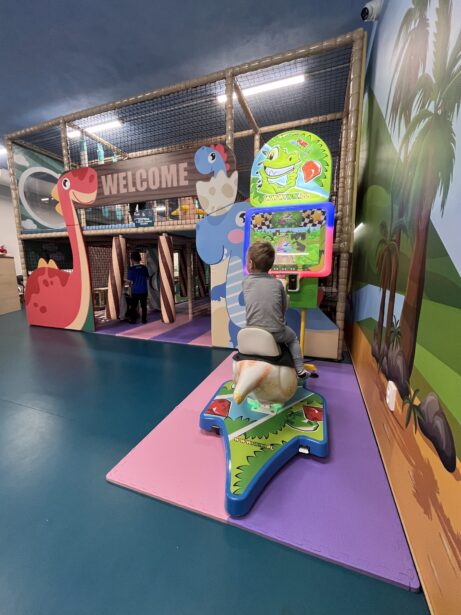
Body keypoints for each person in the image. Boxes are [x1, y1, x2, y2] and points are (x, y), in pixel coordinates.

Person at [242, 241, 308, 378]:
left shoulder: (246, 282)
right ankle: (300, 370)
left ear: (251, 264)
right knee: (293, 338)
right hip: (275, 333)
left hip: (251, 330)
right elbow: (283, 308)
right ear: (271, 265)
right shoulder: (277, 284)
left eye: (247, 260)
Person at [127, 251, 149, 324]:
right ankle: (144, 320)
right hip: (144, 290)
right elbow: (147, 278)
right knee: (144, 306)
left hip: (135, 291)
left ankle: (133, 320)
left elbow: (130, 281)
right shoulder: (144, 268)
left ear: (132, 259)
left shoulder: (131, 269)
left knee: (133, 306)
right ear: (139, 258)